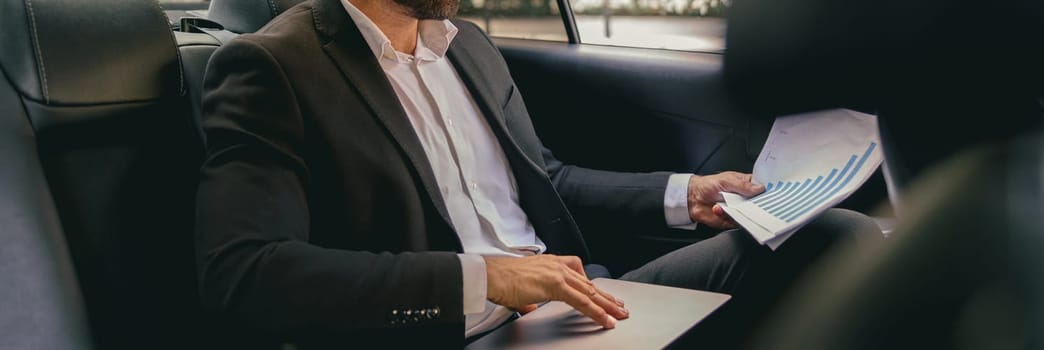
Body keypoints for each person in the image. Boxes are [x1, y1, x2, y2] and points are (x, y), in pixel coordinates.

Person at [194, 0, 881, 347]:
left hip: (572, 302)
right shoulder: (275, 67)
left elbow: (544, 178)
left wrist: (685, 195)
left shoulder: (471, 48)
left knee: (834, 239)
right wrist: (484, 276)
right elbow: (247, 273)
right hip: (454, 332)